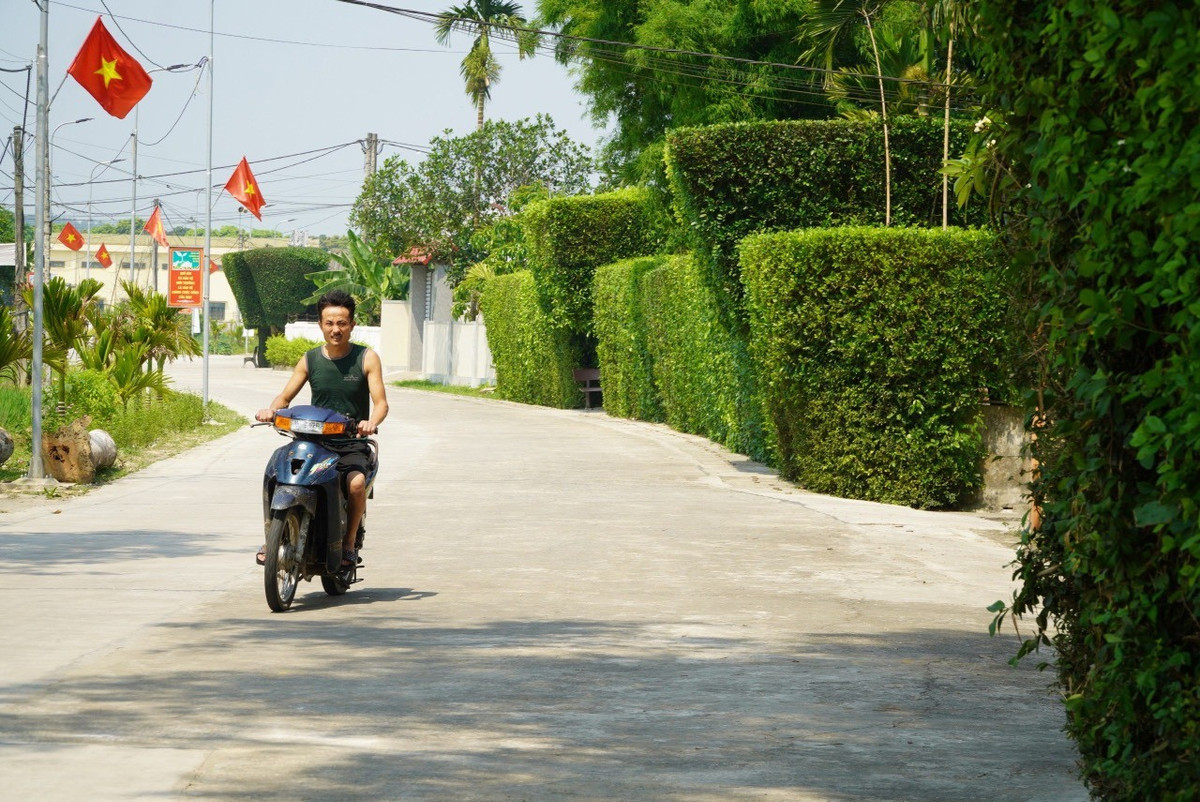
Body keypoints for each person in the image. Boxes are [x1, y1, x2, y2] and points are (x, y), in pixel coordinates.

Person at [255, 290, 389, 567]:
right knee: (275, 473)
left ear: (352, 325)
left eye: (342, 323)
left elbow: (381, 403)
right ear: (320, 325)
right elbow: (284, 397)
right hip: (313, 442)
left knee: (356, 484)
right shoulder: (310, 359)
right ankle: (272, 536)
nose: (335, 329)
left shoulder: (367, 358)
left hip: (350, 442)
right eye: (329, 323)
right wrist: (271, 410)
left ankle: (349, 543)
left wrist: (370, 423)